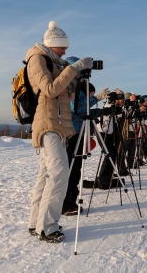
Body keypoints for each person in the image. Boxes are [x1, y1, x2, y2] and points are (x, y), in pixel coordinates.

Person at [27, 21, 93, 242]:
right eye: (63, 47)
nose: (66, 51)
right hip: (47, 124)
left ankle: (36, 223)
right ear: (52, 44)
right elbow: (49, 89)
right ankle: (47, 227)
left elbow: (68, 97)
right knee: (59, 173)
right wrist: (72, 69)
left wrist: (77, 77)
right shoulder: (37, 59)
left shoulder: (56, 62)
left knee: (46, 175)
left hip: (57, 125)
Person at [62, 72, 109, 216]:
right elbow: (78, 109)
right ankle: (67, 204)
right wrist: (96, 99)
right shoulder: (74, 89)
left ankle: (70, 201)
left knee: (75, 168)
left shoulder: (77, 89)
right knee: (72, 168)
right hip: (73, 133)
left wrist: (101, 111)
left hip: (76, 131)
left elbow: (84, 111)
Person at [96, 88, 126, 189]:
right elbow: (108, 115)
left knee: (112, 154)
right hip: (103, 133)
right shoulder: (109, 106)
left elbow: (120, 114)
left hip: (109, 133)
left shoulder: (116, 107)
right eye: (121, 99)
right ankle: (103, 181)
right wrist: (110, 102)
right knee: (109, 154)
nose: (123, 102)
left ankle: (106, 178)